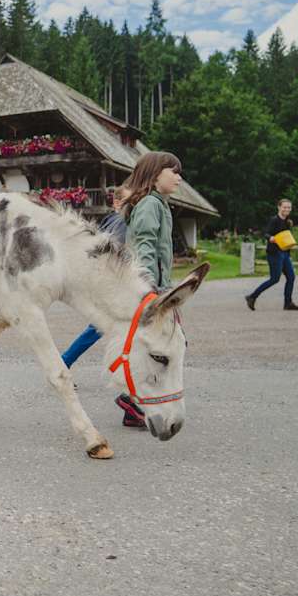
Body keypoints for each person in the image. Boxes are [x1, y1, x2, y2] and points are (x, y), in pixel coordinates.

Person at [114, 151, 184, 429]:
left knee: (163, 346)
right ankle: (132, 399)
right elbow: (145, 248)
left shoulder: (160, 204)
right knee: (163, 346)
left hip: (160, 288)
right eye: (174, 171)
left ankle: (132, 404)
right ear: (156, 175)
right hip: (152, 291)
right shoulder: (150, 205)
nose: (179, 177)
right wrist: (151, 291)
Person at [60, 183, 131, 369]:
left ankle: (64, 362)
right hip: (114, 283)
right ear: (117, 203)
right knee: (99, 327)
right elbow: (114, 252)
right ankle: (63, 362)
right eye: (129, 202)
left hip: (107, 281)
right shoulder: (121, 222)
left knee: (103, 327)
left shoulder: (110, 220)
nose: (133, 206)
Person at [245, 199, 298, 311]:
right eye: (284, 207)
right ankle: (252, 296)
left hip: (285, 253)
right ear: (279, 207)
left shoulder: (287, 222)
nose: (287, 209)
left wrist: (288, 252)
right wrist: (270, 238)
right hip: (274, 254)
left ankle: (288, 303)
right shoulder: (274, 220)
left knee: (291, 277)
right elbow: (265, 233)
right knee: (274, 279)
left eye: (289, 207)